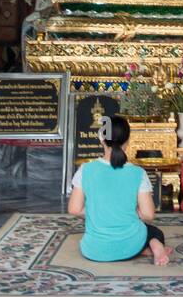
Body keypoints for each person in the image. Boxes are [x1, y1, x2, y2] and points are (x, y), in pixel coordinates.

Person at [67, 114, 171, 266]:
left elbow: (74, 210)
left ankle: (145, 248)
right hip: (130, 245)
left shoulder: (85, 169)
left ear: (101, 139)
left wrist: (102, 210)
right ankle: (154, 245)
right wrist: (124, 211)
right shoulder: (137, 173)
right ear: (128, 141)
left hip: (94, 250)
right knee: (155, 233)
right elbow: (148, 215)